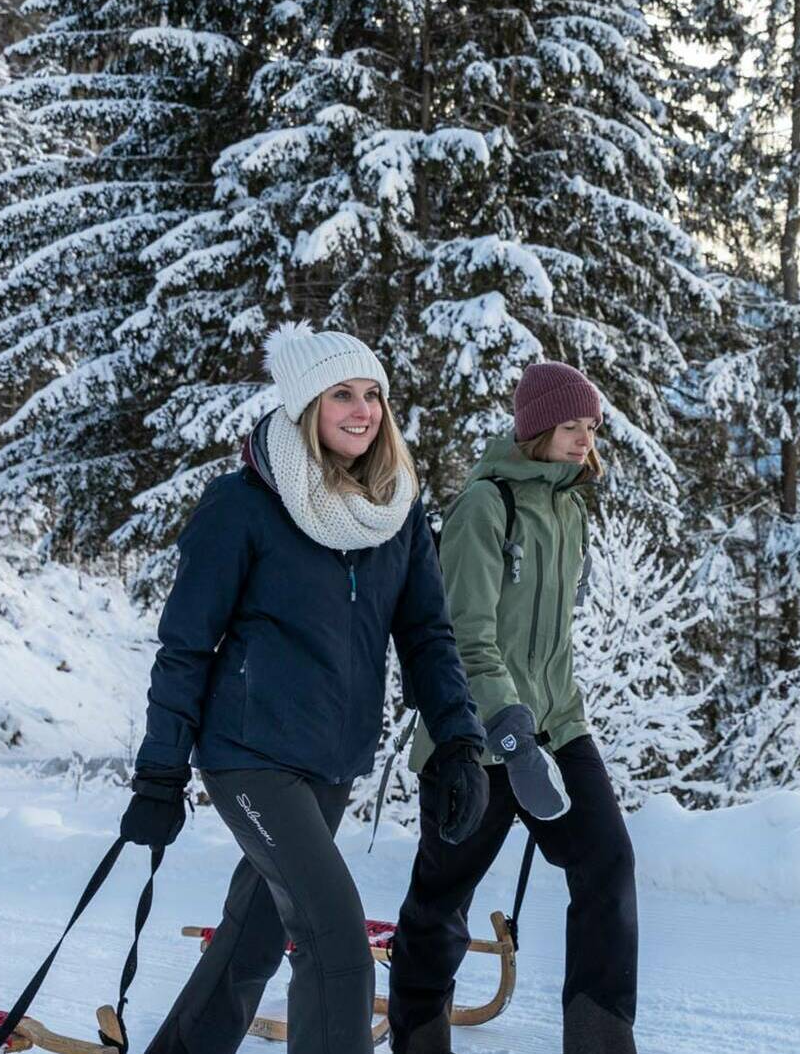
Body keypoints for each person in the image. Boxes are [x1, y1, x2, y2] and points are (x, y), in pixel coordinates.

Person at [121, 325, 492, 1054]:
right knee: (338, 950)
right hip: (250, 755)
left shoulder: (396, 510)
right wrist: (161, 771)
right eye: (342, 396)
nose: (363, 411)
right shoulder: (243, 505)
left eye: (374, 396)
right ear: (304, 407)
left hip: (333, 760)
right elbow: (186, 646)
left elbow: (427, 637)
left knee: (251, 942)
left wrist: (457, 738)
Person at [386, 361, 640, 1054]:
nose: (584, 439)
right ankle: (418, 1036)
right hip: (474, 733)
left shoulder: (569, 508)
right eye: (569, 426)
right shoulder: (484, 506)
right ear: (534, 430)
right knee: (444, 897)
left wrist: (561, 725)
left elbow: (551, 644)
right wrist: (508, 727)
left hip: (557, 726)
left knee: (607, 862)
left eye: (590, 426)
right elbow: (465, 637)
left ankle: (601, 1043)